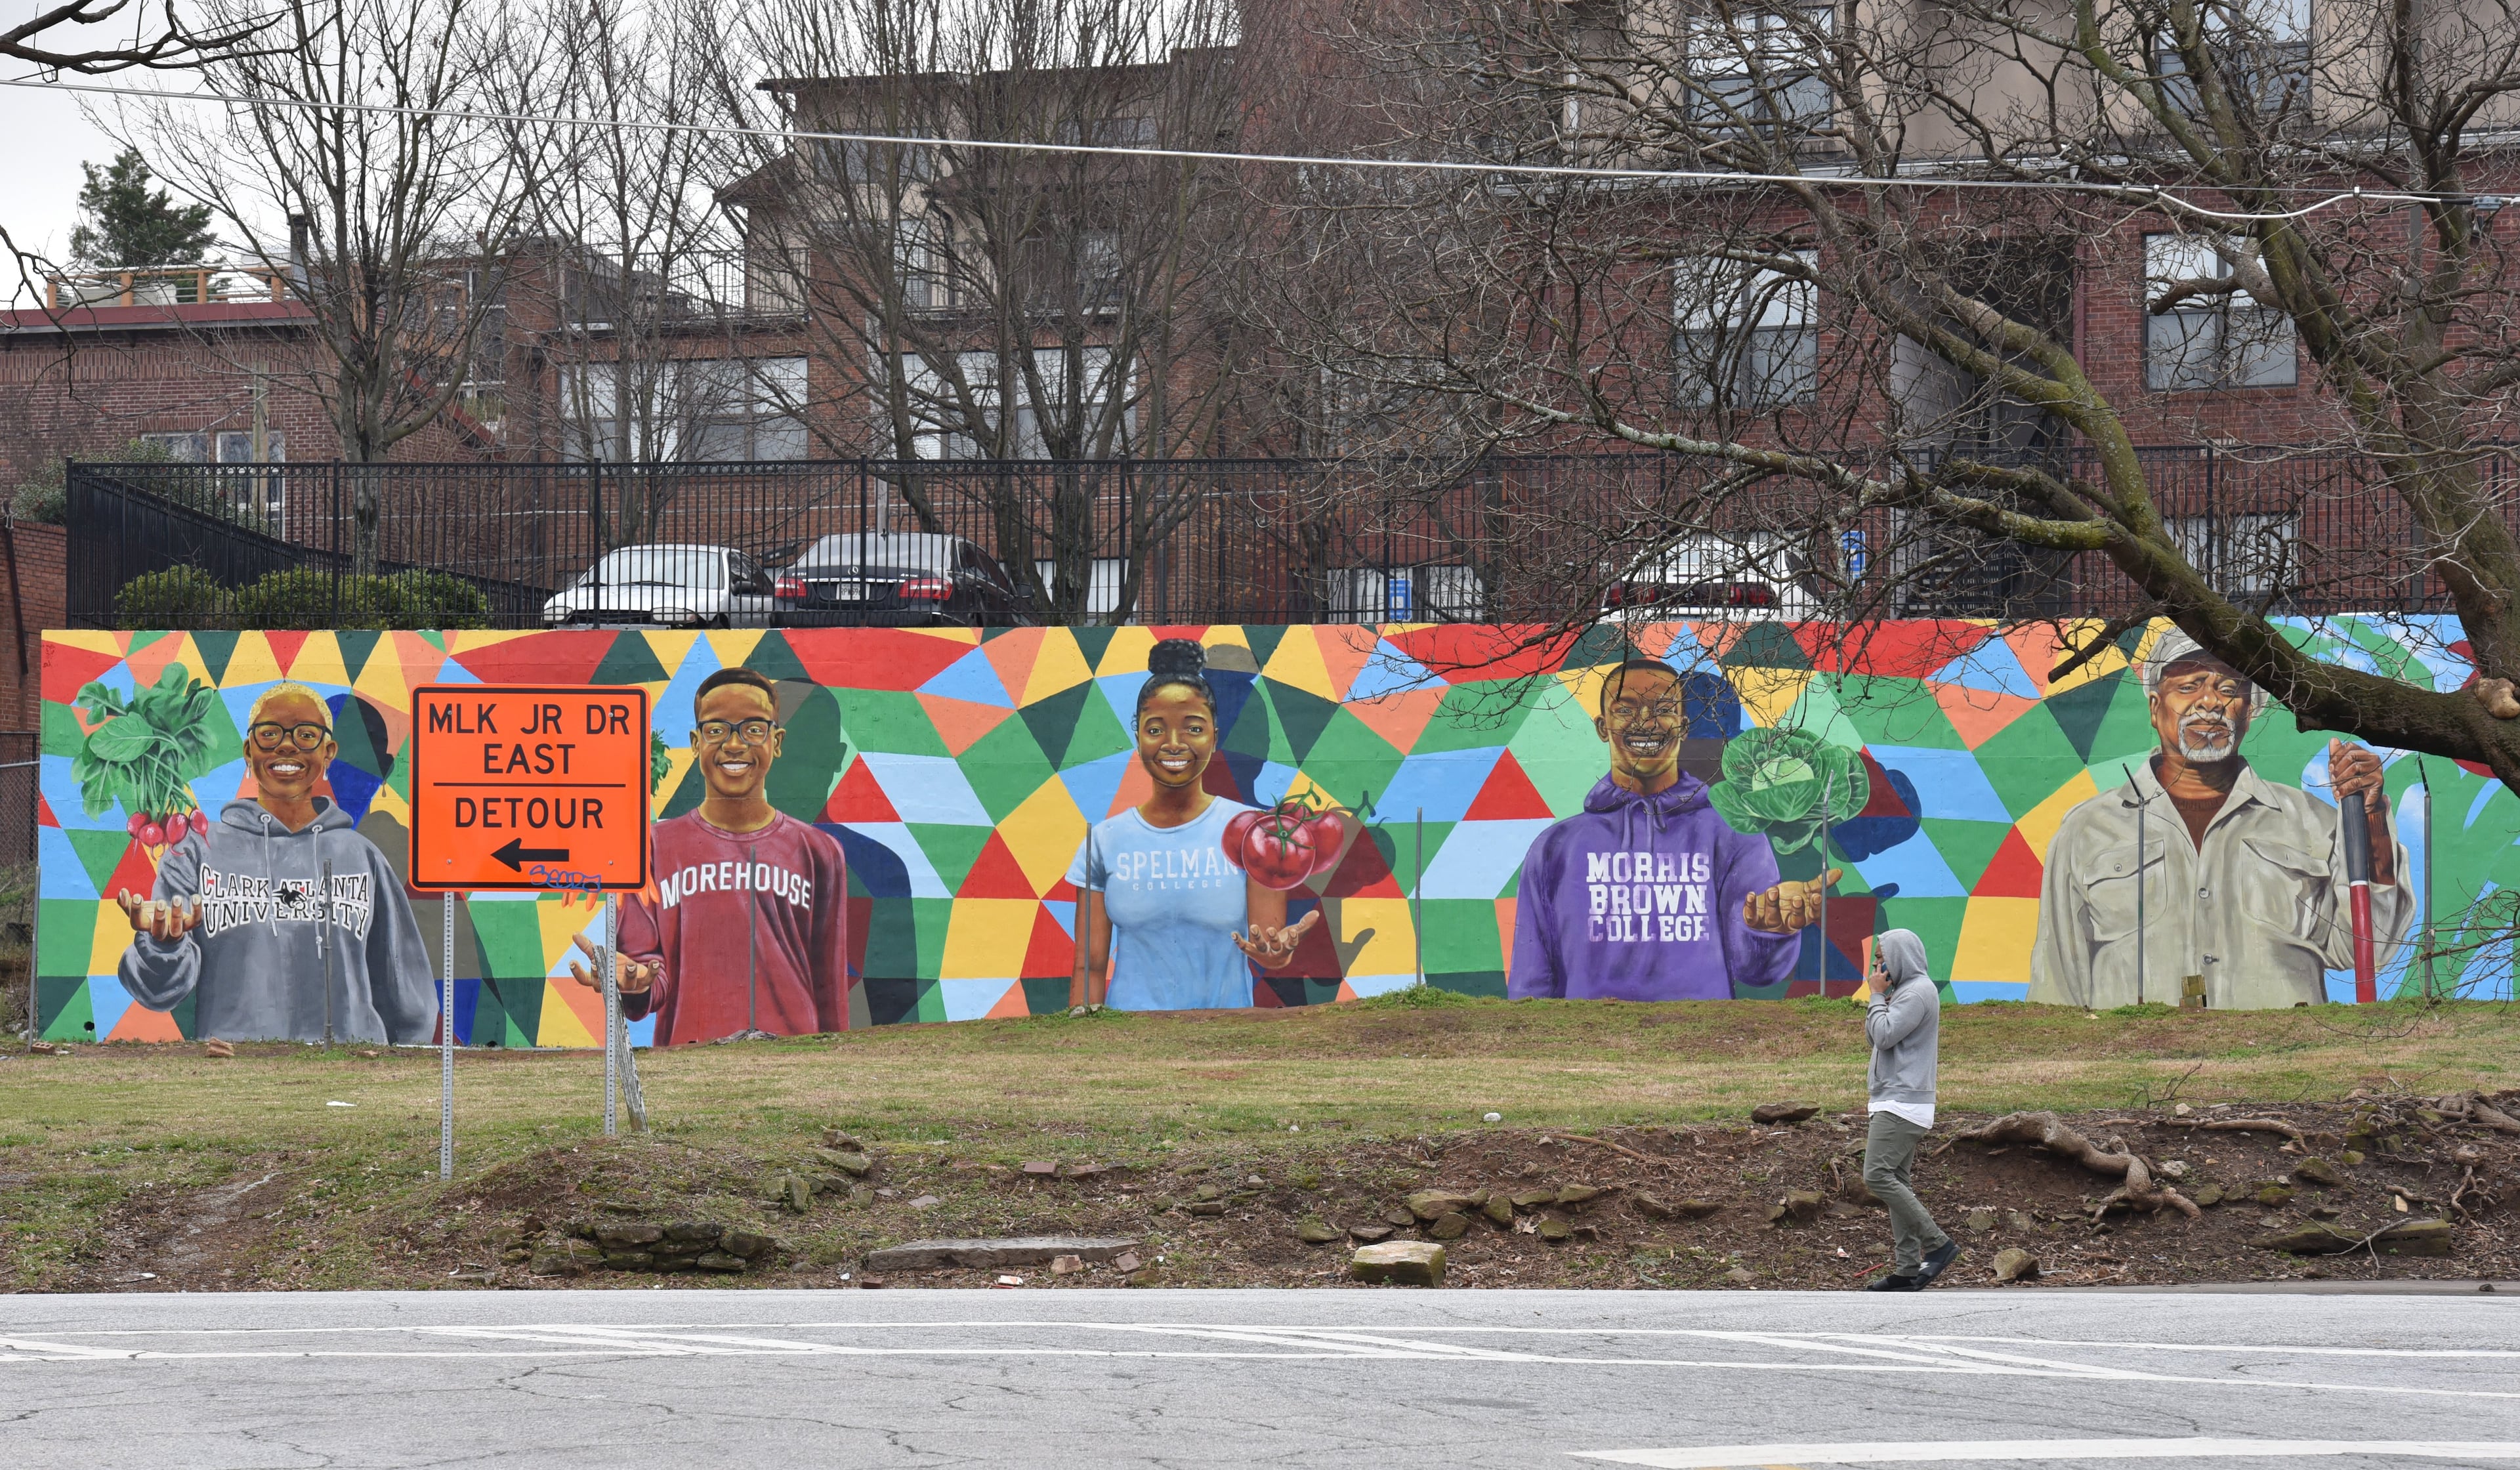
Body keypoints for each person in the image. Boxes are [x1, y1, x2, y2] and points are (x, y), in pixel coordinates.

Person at [2030, 629, 2411, 1009]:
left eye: (2229, 689)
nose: (2210, 702)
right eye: (2190, 686)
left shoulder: (2312, 822)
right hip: (2134, 1060)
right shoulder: (2089, 829)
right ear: (2153, 707)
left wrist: (2371, 819)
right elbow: (2059, 977)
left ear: (2251, 709)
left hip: (2281, 1060)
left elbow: (2366, 948)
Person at [115, 683, 436, 1043]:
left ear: (328, 752)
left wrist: (400, 1075)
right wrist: (163, 945)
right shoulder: (196, 851)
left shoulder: (362, 857)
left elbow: (409, 998)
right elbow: (159, 991)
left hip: (350, 1074)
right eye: (269, 734)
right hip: (233, 1078)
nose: (287, 745)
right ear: (248, 751)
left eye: (306, 735)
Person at [1508, 658, 1840, 1001]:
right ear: (1602, 726)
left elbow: (1757, 971)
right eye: (1626, 709)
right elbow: (1530, 986)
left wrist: (1770, 931)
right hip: (1590, 1048)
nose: (1646, 723)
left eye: (1663, 709)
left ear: (1683, 726)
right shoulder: (1555, 847)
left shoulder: (1732, 833)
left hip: (1705, 1045)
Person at [568, 667, 850, 1043]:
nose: (734, 745)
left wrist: (839, 1062)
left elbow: (829, 986)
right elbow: (648, 975)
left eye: (753, 729)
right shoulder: (651, 847)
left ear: (777, 742)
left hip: (795, 1062)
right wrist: (632, 984)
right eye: (717, 730)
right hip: (691, 1064)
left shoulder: (819, 852)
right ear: (696, 742)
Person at [1068, 639, 1317, 1011]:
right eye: (1155, 730)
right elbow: (1089, 966)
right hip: (1128, 1047)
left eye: (1193, 728)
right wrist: (1078, 1046)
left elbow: (1268, 947)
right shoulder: (1104, 842)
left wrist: (1276, 952)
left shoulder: (1254, 832)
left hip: (1226, 1045)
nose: (1173, 744)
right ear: (1137, 737)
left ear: (1214, 737)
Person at [1862, 928, 1958, 1292]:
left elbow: (1883, 1035)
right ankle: (1906, 1270)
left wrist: (1874, 995)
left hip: (1902, 1103)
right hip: (1894, 1099)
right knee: (1896, 1181)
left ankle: (1938, 1244)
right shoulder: (1903, 993)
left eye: (1881, 958)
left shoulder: (1917, 992)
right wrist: (1880, 998)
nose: (1876, 965)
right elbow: (1877, 1034)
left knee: (1876, 1176)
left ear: (1898, 958)